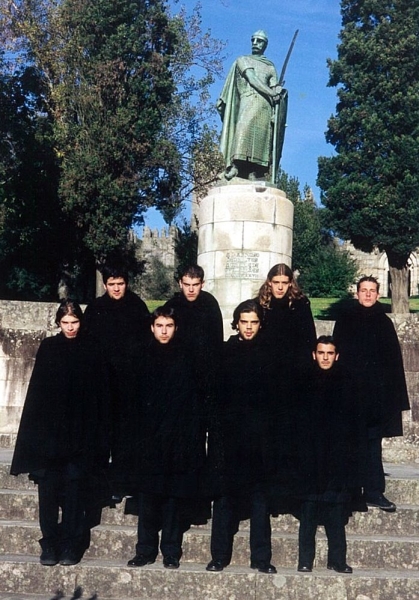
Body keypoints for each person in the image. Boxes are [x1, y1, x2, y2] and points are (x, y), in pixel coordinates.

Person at [10, 300, 111, 567]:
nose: (70, 327)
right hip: (50, 436)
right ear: (58, 323)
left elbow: (99, 396)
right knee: (48, 491)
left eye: (74, 322)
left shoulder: (92, 348)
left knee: (75, 491)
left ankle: (71, 544)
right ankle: (49, 543)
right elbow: (37, 394)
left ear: (81, 322)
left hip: (80, 435)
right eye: (65, 323)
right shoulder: (49, 347)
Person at [112, 307, 208, 570]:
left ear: (176, 328)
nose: (164, 331)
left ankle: (171, 551)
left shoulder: (187, 357)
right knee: (147, 497)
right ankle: (145, 550)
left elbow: (193, 401)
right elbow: (131, 402)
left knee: (173, 498)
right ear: (152, 328)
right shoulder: (140, 356)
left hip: (176, 439)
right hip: (148, 440)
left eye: (169, 326)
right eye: (160, 326)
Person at [206, 300, 289, 574]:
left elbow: (278, 401)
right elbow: (214, 397)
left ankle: (261, 558)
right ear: (236, 324)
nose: (249, 327)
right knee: (224, 499)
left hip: (260, 441)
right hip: (229, 440)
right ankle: (219, 556)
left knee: (260, 500)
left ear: (260, 324)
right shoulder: (224, 352)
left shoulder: (271, 354)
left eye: (254, 322)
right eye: (244, 322)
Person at [333, 276, 410, 512]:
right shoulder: (345, 320)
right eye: (364, 290)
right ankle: (350, 493)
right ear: (357, 293)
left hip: (376, 398)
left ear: (378, 294)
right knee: (348, 444)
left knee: (372, 446)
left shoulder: (384, 323)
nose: (367, 294)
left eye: (372, 291)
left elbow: (393, 364)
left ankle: (374, 492)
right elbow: (335, 357)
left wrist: (393, 400)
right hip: (349, 396)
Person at [294, 336, 366, 574]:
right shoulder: (302, 382)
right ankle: (305, 560)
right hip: (310, 460)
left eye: (330, 353)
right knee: (308, 513)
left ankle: (337, 560)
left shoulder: (348, 383)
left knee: (336, 513)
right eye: (321, 353)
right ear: (314, 355)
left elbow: (355, 426)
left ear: (337, 356)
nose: (325, 357)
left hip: (337, 460)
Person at [83, 263, 150, 465]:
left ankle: (123, 476)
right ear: (105, 285)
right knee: (101, 432)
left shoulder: (137, 307)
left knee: (126, 434)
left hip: (129, 382)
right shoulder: (95, 309)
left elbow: (146, 344)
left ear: (126, 284)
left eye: (120, 283)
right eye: (112, 284)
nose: (116, 288)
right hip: (101, 382)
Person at [217, 30, 287, 181]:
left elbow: (274, 86)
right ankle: (235, 167)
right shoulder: (243, 60)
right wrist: (272, 92)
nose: (255, 43)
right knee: (243, 130)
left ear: (265, 45)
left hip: (265, 106)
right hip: (248, 101)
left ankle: (254, 172)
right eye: (253, 40)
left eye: (259, 41)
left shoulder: (270, 67)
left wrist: (278, 91)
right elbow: (252, 79)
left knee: (262, 138)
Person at [164, 264, 223, 417]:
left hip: (205, 373)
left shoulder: (210, 303)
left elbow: (217, 340)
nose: (191, 290)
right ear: (180, 283)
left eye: (195, 285)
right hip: (179, 373)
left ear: (202, 284)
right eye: (187, 285)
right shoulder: (172, 306)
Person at [257, 263, 316, 375]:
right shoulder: (260, 303)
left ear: (290, 283)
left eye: (284, 283)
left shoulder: (300, 304)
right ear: (269, 282)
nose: (280, 287)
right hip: (266, 365)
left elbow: (308, 337)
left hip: (293, 366)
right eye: (276, 282)